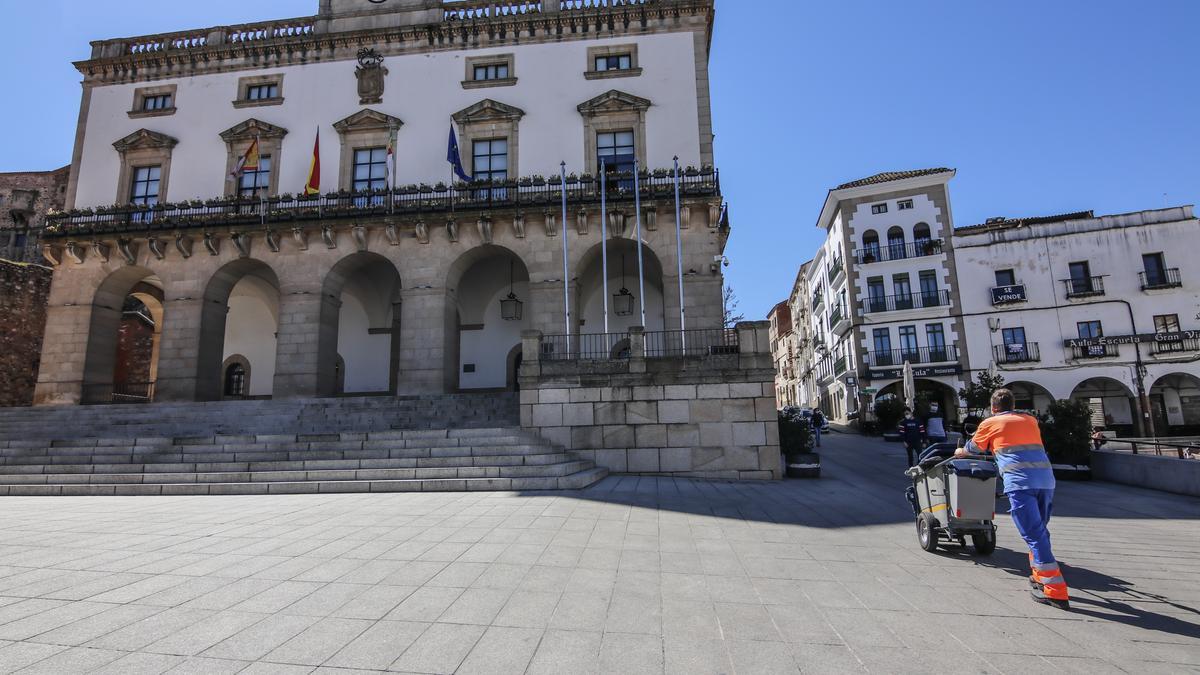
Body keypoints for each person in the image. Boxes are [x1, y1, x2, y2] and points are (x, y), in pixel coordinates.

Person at [956, 388, 1069, 610]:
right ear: (1013, 404)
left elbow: (975, 448)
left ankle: (1055, 590)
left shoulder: (990, 423)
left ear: (993, 407)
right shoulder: (1030, 420)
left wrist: (961, 451)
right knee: (1040, 530)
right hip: (1046, 480)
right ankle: (1038, 574)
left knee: (1034, 534)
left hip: (1020, 483)